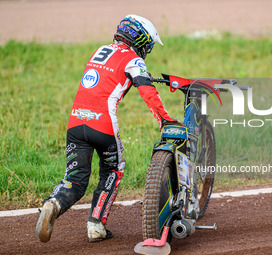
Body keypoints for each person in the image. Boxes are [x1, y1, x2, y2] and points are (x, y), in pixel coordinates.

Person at [36, 14, 179, 243]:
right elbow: (148, 92)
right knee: (114, 168)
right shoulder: (134, 60)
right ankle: (96, 225)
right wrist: (165, 119)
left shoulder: (99, 51)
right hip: (103, 124)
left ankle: (53, 203)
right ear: (140, 40)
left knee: (75, 179)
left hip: (75, 123)